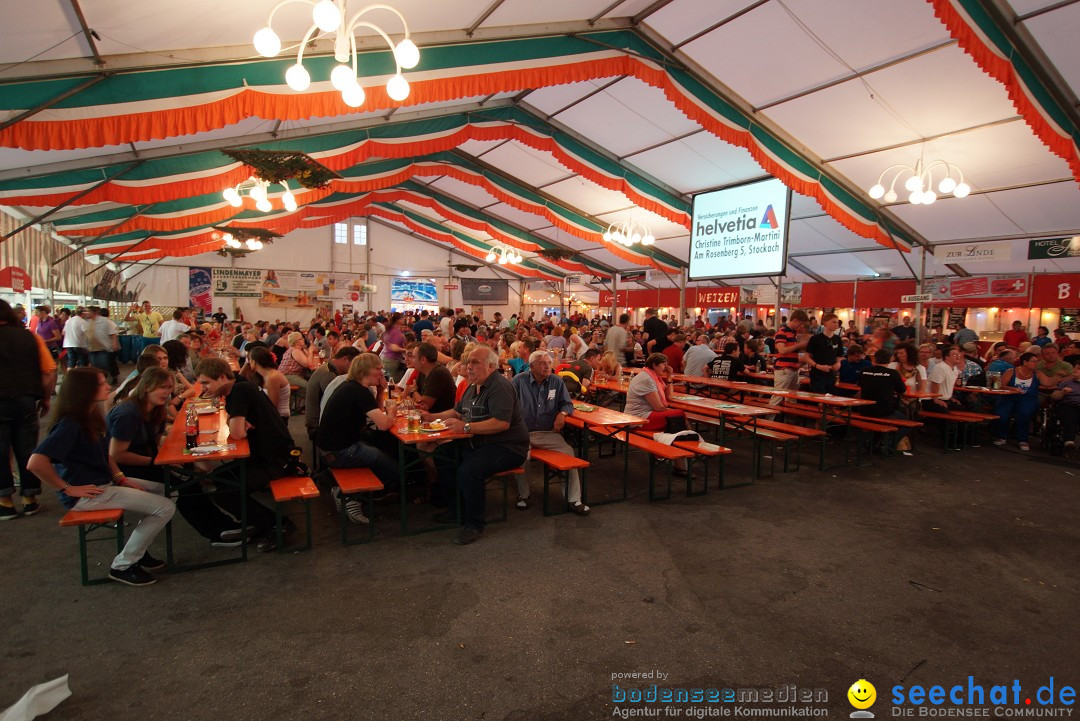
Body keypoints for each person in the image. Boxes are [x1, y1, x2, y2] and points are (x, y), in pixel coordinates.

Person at [27, 368, 175, 586]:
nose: (108, 386)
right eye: (101, 383)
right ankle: (123, 565)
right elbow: (36, 463)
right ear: (84, 390)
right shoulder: (70, 424)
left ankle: (138, 549)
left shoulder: (90, 416)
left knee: (170, 490)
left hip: (105, 484)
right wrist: (67, 488)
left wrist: (121, 478)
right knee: (165, 507)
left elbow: (106, 455)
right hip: (89, 494)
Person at [423, 346, 530, 545]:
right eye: (468, 362)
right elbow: (456, 411)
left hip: (508, 446)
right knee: (442, 455)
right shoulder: (473, 386)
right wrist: (430, 417)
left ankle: (474, 524)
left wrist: (465, 427)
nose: (468, 367)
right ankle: (457, 511)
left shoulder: (500, 387)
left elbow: (501, 423)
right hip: (479, 442)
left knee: (469, 471)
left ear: (491, 366)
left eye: (475, 363)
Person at [194, 358, 295, 552]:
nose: (203, 387)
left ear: (223, 377)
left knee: (224, 489)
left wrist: (237, 424)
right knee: (217, 480)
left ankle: (278, 524)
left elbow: (237, 433)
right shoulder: (239, 386)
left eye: (206, 382)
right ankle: (258, 522)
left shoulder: (240, 390)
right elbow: (234, 424)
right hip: (267, 455)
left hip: (277, 460)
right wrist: (238, 422)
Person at [317, 353, 399, 525]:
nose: (381, 371)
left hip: (333, 446)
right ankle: (350, 496)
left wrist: (381, 391)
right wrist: (392, 412)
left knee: (380, 446)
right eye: (377, 368)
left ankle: (353, 493)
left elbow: (372, 414)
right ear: (364, 370)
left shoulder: (352, 387)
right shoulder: (357, 391)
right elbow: (383, 424)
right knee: (394, 470)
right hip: (340, 451)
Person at [512, 351, 589, 515]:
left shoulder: (556, 381)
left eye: (548, 362)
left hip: (547, 433)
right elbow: (507, 405)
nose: (547, 366)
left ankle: (574, 499)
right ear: (531, 366)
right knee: (521, 457)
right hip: (523, 432)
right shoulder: (519, 381)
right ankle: (524, 495)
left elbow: (567, 404)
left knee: (568, 453)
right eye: (542, 363)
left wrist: (562, 414)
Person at [0, 300, 57, 520]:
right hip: (25, 401)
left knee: (0, 451)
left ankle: (5, 502)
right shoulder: (31, 337)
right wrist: (45, 399)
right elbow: (49, 372)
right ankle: (29, 499)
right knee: (27, 449)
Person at [624, 353, 689, 475]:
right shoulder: (646, 379)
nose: (666, 367)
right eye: (663, 364)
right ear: (654, 365)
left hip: (646, 414)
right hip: (638, 418)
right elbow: (658, 407)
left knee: (677, 420)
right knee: (679, 416)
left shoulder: (654, 377)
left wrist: (669, 377)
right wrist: (671, 411)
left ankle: (679, 457)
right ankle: (687, 454)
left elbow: (669, 397)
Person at [857, 349, 913, 453]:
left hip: (864, 409)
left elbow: (860, 387)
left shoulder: (864, 370)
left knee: (882, 422)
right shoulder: (892, 373)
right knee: (907, 424)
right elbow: (903, 391)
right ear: (891, 359)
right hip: (884, 410)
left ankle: (874, 442)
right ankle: (887, 445)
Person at [307, 346, 361, 439]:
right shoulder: (328, 373)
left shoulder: (329, 368)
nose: (354, 369)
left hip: (318, 418)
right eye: (354, 365)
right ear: (345, 359)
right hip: (317, 423)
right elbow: (337, 401)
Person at [993, 352, 1041, 451]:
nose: (1036, 363)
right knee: (1002, 413)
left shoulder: (1037, 373)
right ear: (1025, 362)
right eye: (1033, 361)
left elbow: (1048, 382)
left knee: (1024, 413)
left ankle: (1023, 439)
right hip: (1010, 397)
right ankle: (1002, 436)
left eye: (1037, 361)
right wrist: (1012, 388)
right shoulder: (1011, 371)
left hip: (1027, 399)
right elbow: (1000, 385)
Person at [771, 309, 810, 404]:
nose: (801, 327)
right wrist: (799, 345)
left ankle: (789, 419)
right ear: (795, 320)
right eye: (801, 324)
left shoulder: (794, 334)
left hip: (794, 369)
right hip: (784, 369)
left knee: (792, 399)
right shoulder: (782, 332)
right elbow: (782, 350)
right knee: (777, 397)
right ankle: (768, 418)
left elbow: (793, 351)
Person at [246, 346, 291, 424]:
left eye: (249, 360)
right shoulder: (263, 375)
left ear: (254, 361)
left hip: (278, 419)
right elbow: (240, 380)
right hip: (269, 416)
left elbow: (272, 407)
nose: (248, 362)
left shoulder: (273, 377)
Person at [412, 342, 456, 413]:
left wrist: (413, 391)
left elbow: (424, 406)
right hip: (430, 418)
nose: (412, 360)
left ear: (423, 360)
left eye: (414, 357)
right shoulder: (423, 371)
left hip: (440, 421)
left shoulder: (438, 373)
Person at [806, 312, 842, 394]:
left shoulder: (837, 339)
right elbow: (807, 356)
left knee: (831, 397)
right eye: (834, 322)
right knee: (820, 397)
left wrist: (838, 363)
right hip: (817, 374)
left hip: (831, 374)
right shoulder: (815, 339)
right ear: (825, 323)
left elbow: (839, 355)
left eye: (837, 322)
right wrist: (818, 366)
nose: (836, 324)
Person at [1051, 365, 1080, 449]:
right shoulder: (1067, 383)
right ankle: (1069, 440)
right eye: (1075, 367)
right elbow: (1054, 397)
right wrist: (1062, 392)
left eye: (1078, 368)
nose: (1075, 369)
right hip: (1068, 405)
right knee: (1070, 413)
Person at [927, 345, 964, 411]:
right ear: (946, 357)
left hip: (946, 399)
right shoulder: (941, 367)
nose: (958, 357)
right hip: (931, 399)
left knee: (962, 409)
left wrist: (950, 397)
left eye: (958, 355)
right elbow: (935, 384)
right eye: (955, 355)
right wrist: (936, 400)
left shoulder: (955, 368)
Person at [381, 313, 408, 381]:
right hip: (392, 360)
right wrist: (406, 350)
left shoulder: (389, 330)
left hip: (386, 358)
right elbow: (394, 348)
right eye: (402, 318)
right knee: (395, 381)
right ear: (399, 320)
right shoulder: (395, 332)